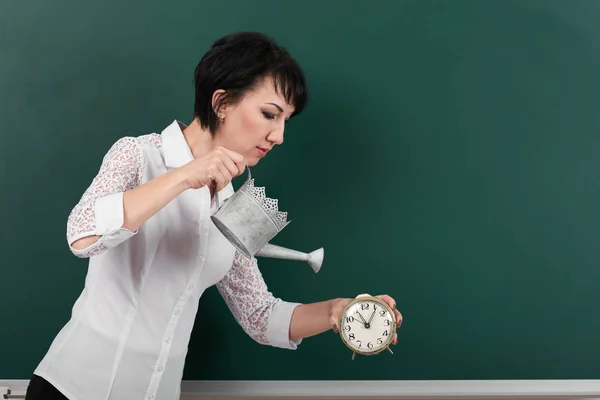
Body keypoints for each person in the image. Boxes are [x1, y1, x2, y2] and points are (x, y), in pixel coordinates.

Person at [25, 31, 403, 400]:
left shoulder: (233, 204)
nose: (279, 136)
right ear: (221, 102)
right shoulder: (138, 156)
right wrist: (184, 176)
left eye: (286, 120)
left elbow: (258, 314)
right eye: (270, 114)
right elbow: (82, 234)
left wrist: (337, 312)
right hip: (72, 389)